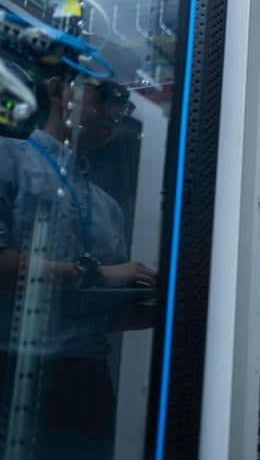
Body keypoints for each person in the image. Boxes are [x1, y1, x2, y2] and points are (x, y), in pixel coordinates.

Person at [0, 63, 157, 459]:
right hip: (12, 368)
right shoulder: (7, 160)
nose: (112, 111)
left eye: (122, 102)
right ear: (57, 90)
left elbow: (104, 316)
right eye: (102, 95)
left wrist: (173, 307)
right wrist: (97, 273)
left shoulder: (107, 208)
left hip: (86, 384)